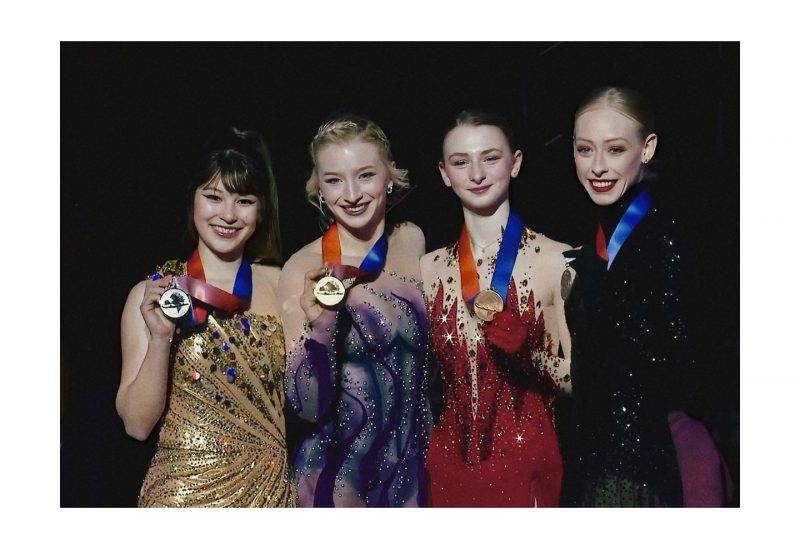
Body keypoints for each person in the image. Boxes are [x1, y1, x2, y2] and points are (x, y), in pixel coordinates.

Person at [560, 86, 729, 507]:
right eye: (584, 149)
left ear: (647, 148)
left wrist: (610, 313)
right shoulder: (595, 238)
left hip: (638, 468)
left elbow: (685, 373)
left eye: (615, 149)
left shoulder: (664, 241)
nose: (598, 166)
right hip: (588, 458)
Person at [117, 127, 297, 507]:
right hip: (182, 498)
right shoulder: (154, 294)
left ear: (261, 209)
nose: (228, 215)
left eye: (244, 201)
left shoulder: (283, 284)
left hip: (270, 496)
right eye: (213, 197)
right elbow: (136, 425)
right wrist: (161, 339)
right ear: (193, 200)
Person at [420, 110, 571, 507]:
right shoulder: (428, 268)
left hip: (526, 467)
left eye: (490, 158)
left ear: (515, 163)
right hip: (449, 468)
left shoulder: (557, 259)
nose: (476, 174)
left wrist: (530, 356)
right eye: (460, 162)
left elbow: (584, 380)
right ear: (444, 173)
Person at [279, 116, 431, 507]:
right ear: (319, 188)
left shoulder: (411, 240)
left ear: (390, 176)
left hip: (412, 478)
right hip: (336, 483)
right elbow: (306, 407)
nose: (351, 195)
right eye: (334, 180)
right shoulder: (303, 267)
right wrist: (322, 328)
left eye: (365, 175)